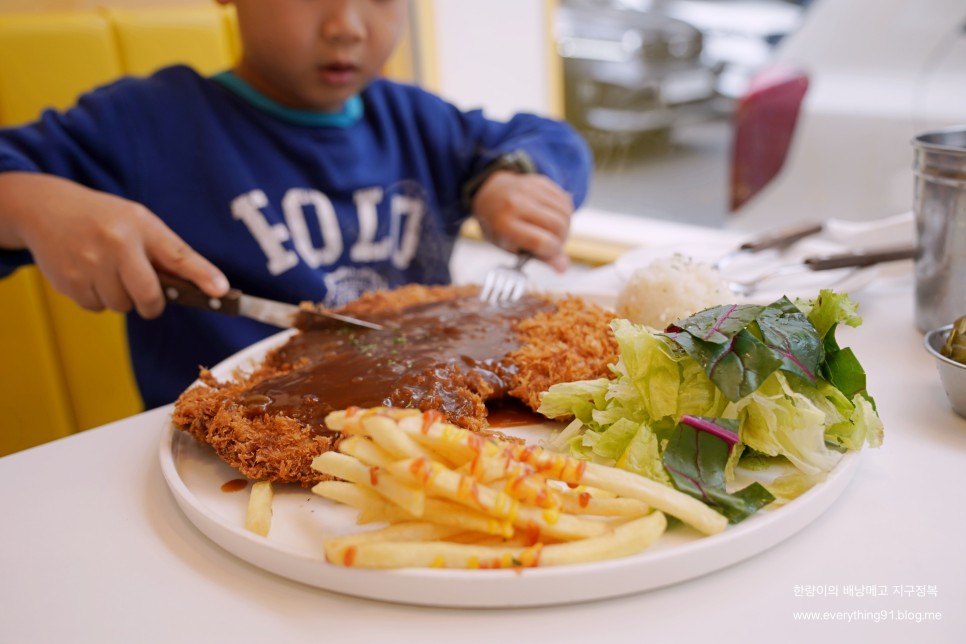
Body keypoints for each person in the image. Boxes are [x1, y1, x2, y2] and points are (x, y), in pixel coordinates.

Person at [0, 0, 592, 409]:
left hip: (431, 413)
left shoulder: (419, 120)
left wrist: (514, 179)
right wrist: (33, 207)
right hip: (215, 470)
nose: (347, 25)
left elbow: (551, 138)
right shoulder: (147, 123)